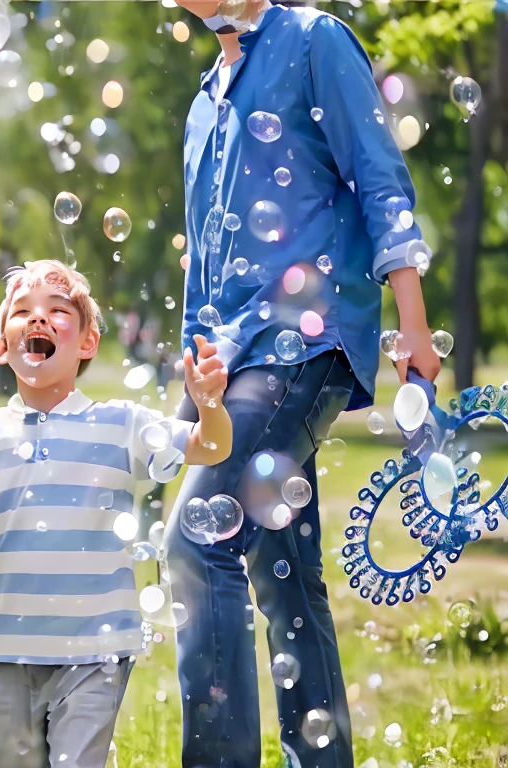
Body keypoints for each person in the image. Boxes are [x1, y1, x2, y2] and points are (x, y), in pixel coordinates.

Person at [167, 2, 442, 768]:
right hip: (231, 361)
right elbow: (208, 263)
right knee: (283, 575)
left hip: (303, 340)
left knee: (199, 543)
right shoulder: (202, 104)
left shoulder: (314, 40)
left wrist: (411, 321)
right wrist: (197, 383)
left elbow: (380, 179)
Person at [0, 260, 233, 768]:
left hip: (97, 649)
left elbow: (210, 447)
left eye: (57, 311)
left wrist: (209, 403)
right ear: (2, 348)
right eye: (22, 312)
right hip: (12, 650)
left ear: (87, 342)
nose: (38, 320)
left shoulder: (120, 424)